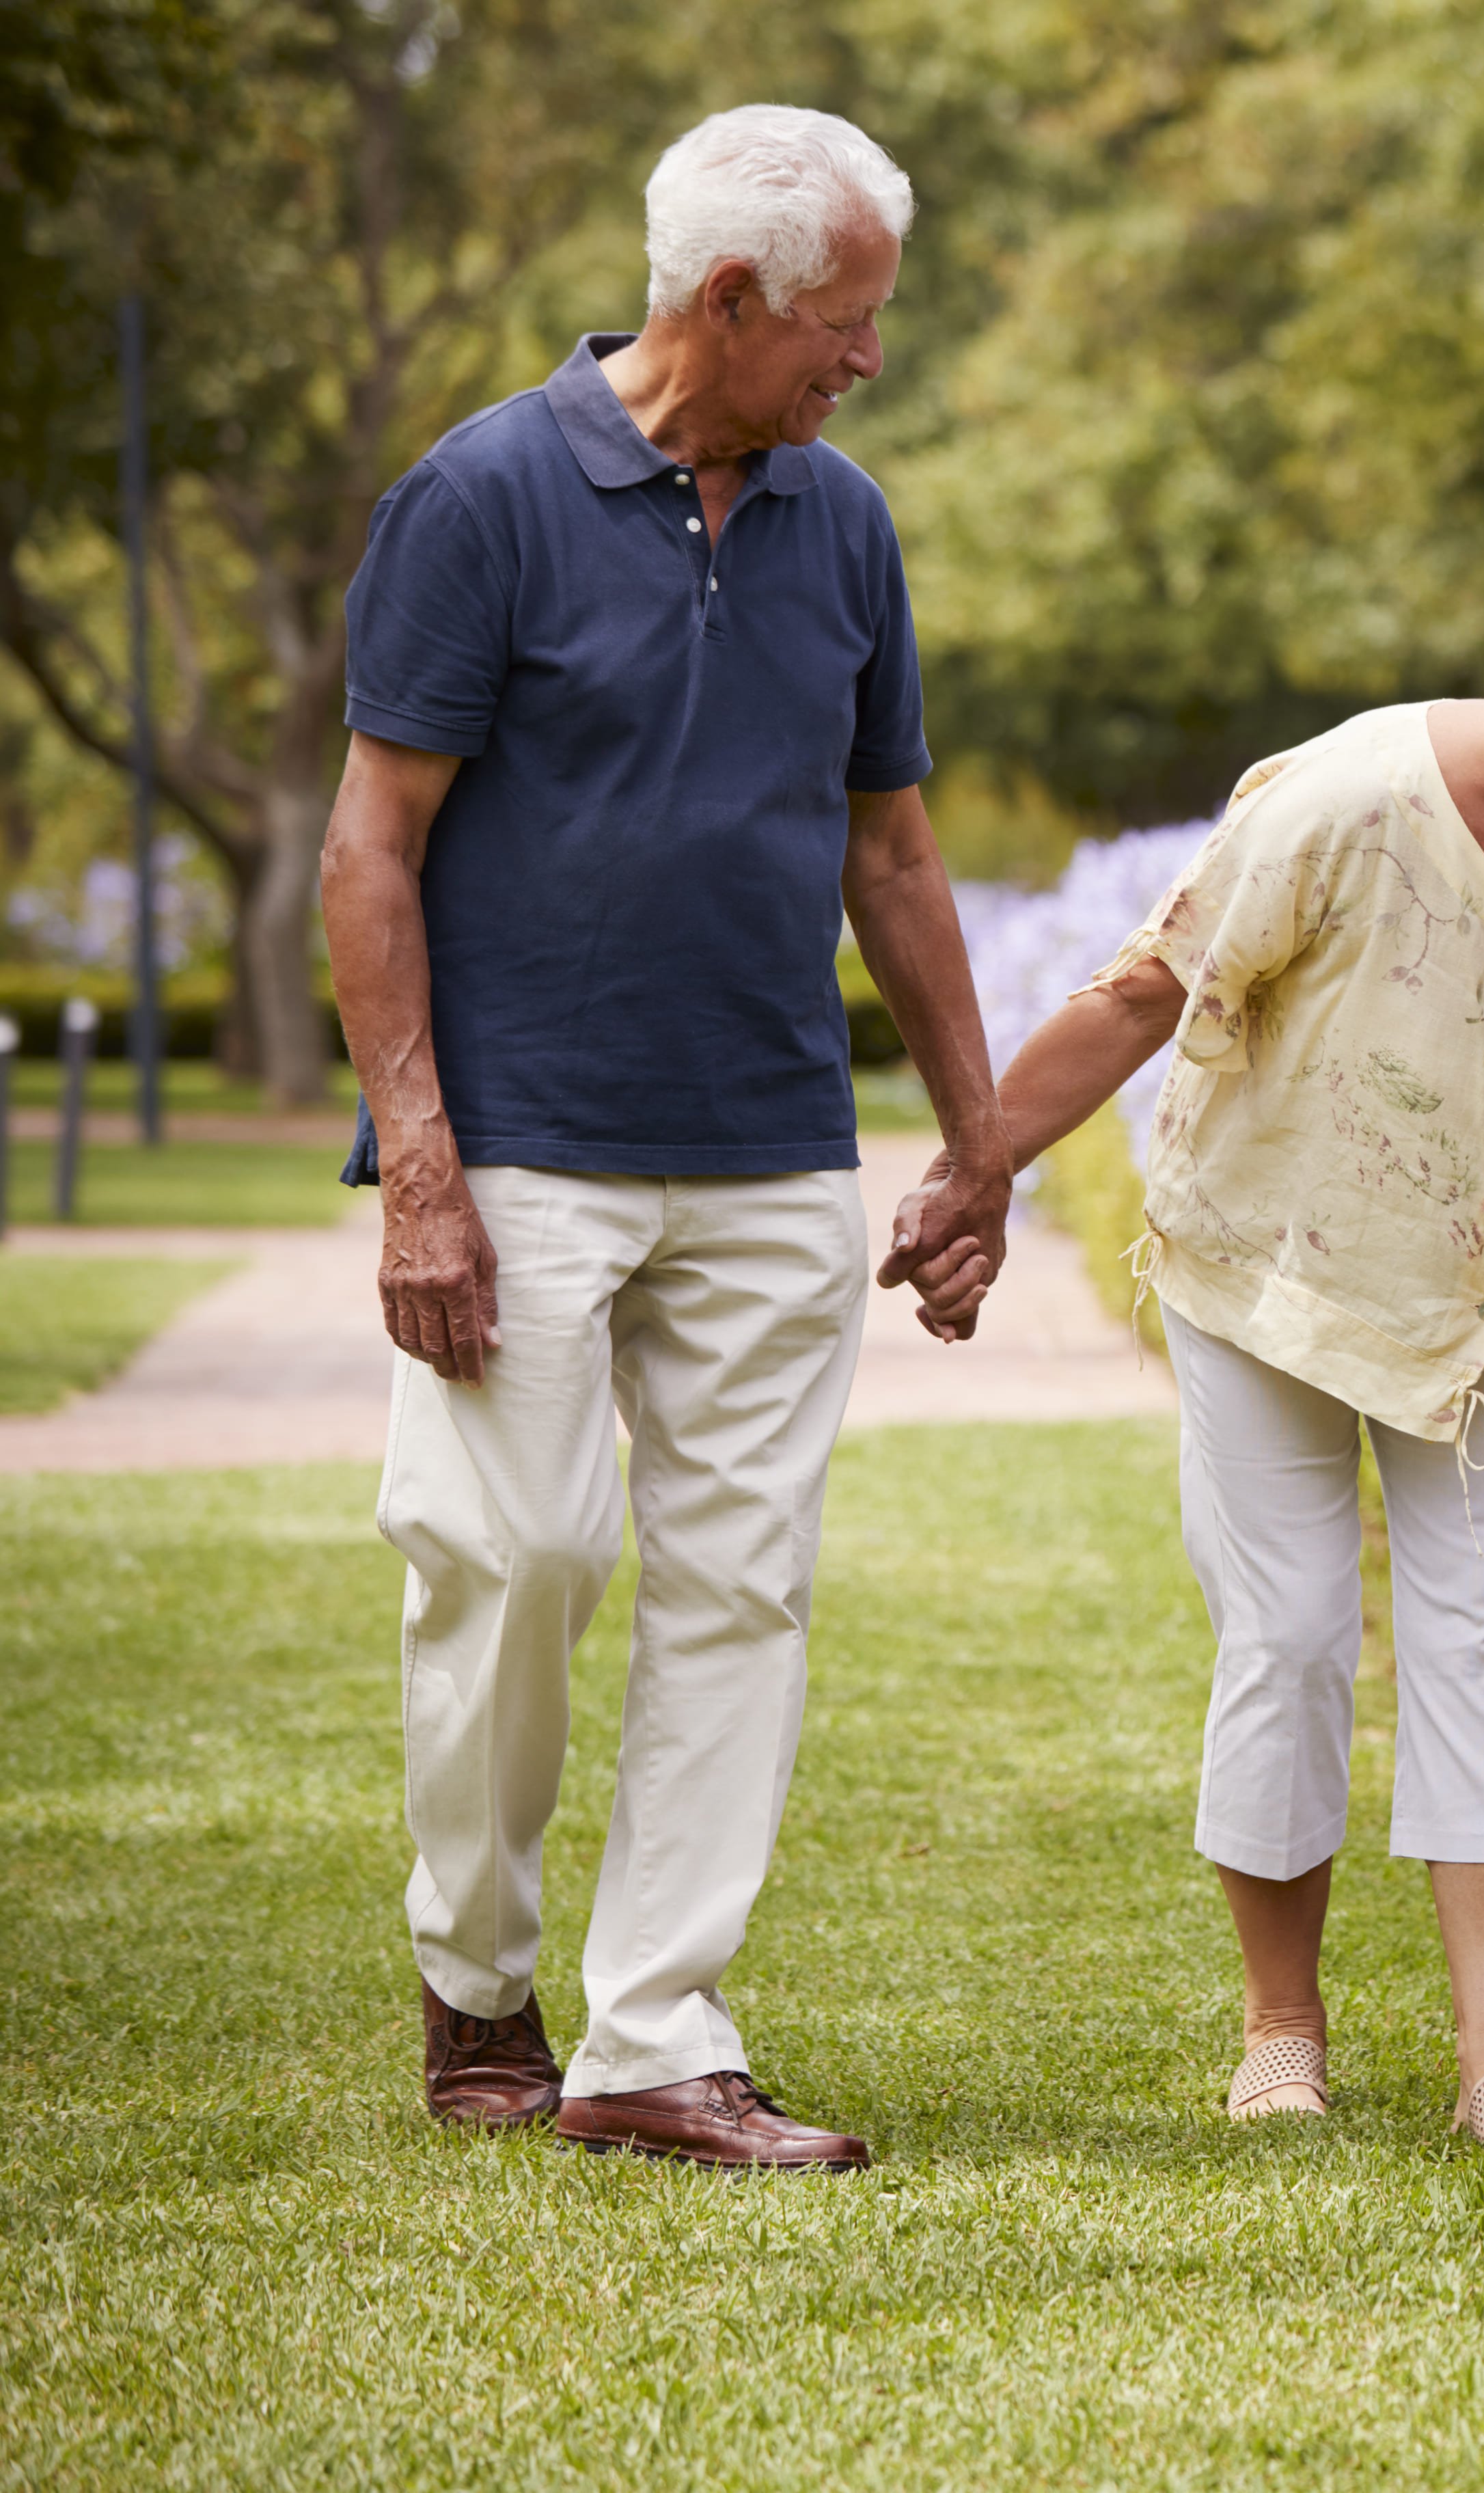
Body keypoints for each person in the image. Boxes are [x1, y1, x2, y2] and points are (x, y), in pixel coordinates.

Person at [922, 520, 1484, 2151]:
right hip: (1272, 1279)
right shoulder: (1355, 797)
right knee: (1283, 1641)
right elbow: (1147, 992)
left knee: (1480, 1649)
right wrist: (975, 1171)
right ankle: (1283, 2023)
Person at [316, 105, 1008, 2170]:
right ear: (728, 301)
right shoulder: (481, 498)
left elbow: (893, 854)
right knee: (510, 1556)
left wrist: (979, 1148)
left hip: (771, 1143)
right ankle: (475, 1973)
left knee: (740, 1589)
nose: (865, 361)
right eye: (848, 323)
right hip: (523, 1144)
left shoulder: (845, 521)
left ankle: (654, 2039)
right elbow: (373, 847)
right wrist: (420, 1167)